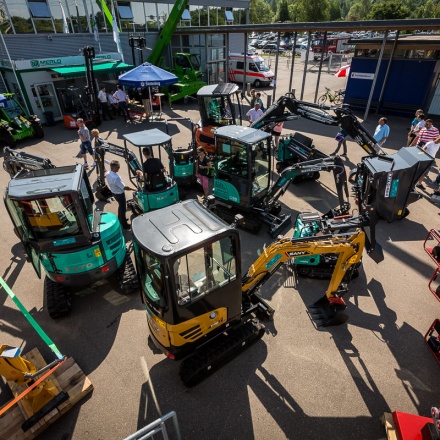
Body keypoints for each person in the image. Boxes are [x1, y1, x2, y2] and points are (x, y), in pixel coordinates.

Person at [106, 160, 137, 230]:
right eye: (118, 167)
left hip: (114, 192)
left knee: (120, 206)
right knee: (123, 209)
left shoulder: (108, 173)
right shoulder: (116, 177)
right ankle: (125, 225)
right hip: (120, 194)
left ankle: (120, 219)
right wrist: (134, 189)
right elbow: (124, 187)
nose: (119, 169)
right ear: (113, 168)